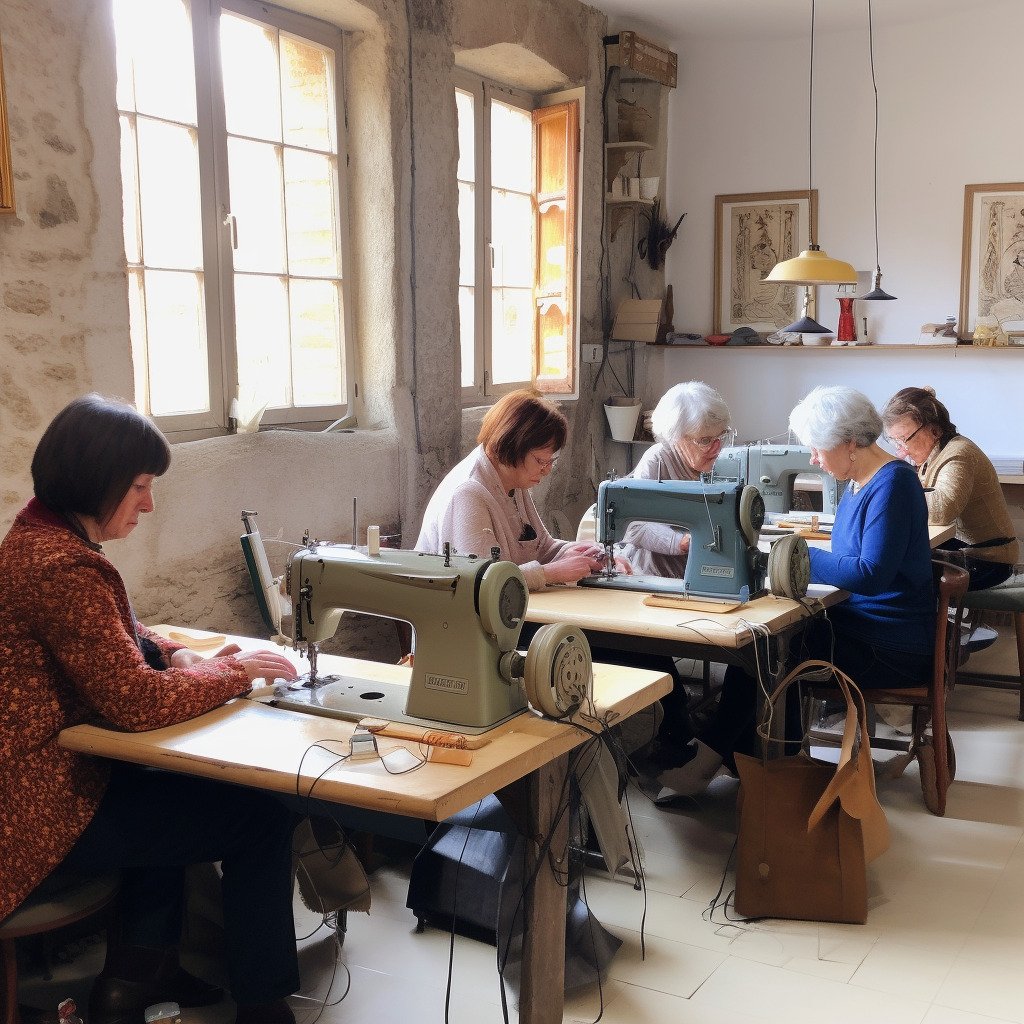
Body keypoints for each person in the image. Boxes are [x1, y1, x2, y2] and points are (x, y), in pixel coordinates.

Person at [0, 395, 302, 1024]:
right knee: (261, 820)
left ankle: (137, 976)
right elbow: (135, 702)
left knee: (178, 782)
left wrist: (177, 656)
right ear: (97, 479)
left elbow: (124, 637)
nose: (149, 504)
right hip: (39, 811)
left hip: (44, 781)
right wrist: (235, 671)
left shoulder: (41, 536)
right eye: (139, 487)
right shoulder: (63, 568)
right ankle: (264, 1006)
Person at [658, 386, 935, 797]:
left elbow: (870, 573)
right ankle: (755, 760)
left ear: (850, 442)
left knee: (765, 649)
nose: (814, 459)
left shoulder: (894, 485)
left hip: (890, 644)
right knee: (766, 641)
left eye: (818, 449)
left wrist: (792, 555)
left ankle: (721, 760)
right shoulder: (861, 484)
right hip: (864, 625)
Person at [416, 389, 625, 589]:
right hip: (459, 620)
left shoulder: (513, 480)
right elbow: (480, 581)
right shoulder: (468, 494)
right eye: (541, 461)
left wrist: (581, 552)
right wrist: (549, 573)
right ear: (512, 445)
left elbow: (542, 547)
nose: (547, 470)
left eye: (551, 461)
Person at [881, 386, 1018, 591]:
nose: (900, 450)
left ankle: (926, 624)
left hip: (989, 561)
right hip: (966, 552)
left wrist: (889, 497)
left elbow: (941, 510)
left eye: (903, 440)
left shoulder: (958, 454)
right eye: (894, 441)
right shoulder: (932, 455)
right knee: (894, 564)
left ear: (933, 429)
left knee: (899, 574)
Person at [617, 380, 732, 577]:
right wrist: (679, 542)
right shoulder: (658, 460)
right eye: (705, 440)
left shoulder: (724, 462)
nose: (717, 448)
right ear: (675, 436)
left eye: (721, 436)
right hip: (654, 574)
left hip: (706, 571)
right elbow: (635, 525)